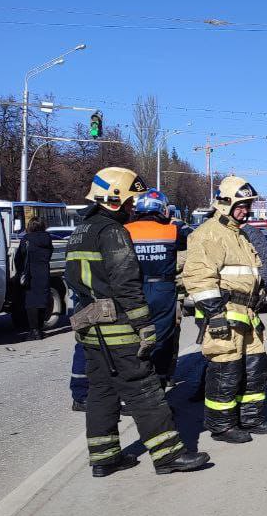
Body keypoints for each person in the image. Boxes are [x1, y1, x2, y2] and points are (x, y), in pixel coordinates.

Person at [64, 166, 208, 477]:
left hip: (90, 328)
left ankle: (104, 458)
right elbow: (126, 284)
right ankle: (169, 455)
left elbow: (72, 280)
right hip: (118, 328)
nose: (132, 208)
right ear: (113, 200)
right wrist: (144, 325)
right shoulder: (113, 232)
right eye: (129, 202)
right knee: (145, 391)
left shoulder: (80, 231)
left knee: (101, 391)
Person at [182, 176, 267, 443]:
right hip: (224, 314)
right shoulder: (209, 234)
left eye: (247, 205)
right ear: (224, 203)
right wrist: (215, 315)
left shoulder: (238, 234)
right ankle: (222, 425)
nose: (245, 210)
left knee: (254, 368)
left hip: (247, 314)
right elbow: (200, 277)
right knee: (226, 370)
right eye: (241, 205)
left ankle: (251, 417)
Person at [125, 189, 187, 385]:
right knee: (162, 338)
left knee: (132, 335)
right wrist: (177, 222)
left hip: (133, 288)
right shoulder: (172, 230)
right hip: (163, 289)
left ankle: (134, 383)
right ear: (162, 209)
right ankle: (158, 382)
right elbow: (190, 239)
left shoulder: (125, 229)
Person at [18, 215, 53, 341]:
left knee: (31, 303)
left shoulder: (26, 239)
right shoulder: (47, 238)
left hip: (30, 274)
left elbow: (19, 257)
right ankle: (40, 330)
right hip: (44, 273)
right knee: (42, 302)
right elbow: (49, 254)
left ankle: (34, 330)